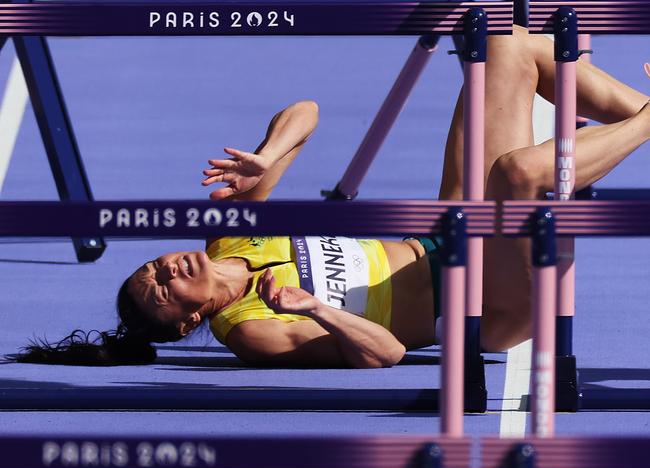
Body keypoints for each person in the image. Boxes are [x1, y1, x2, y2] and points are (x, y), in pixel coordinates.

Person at [16, 27, 650, 368]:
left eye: (152, 265)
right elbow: (389, 353)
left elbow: (307, 112)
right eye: (163, 290)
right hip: (484, 304)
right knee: (518, 174)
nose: (168, 268)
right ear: (188, 322)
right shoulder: (250, 331)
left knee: (505, 47)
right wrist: (318, 310)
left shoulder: (232, 234)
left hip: (441, 235)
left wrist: (266, 157)